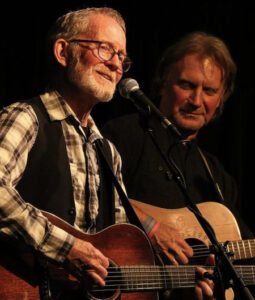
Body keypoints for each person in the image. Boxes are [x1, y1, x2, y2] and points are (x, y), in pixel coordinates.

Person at [0, 8, 214, 300]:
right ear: (63, 52)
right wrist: (66, 248)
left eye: (121, 57)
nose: (116, 65)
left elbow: (116, 261)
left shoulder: (107, 152)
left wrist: (178, 283)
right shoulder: (27, 119)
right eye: (105, 49)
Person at [101, 31, 255, 298]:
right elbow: (90, 194)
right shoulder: (122, 135)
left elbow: (241, 253)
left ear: (220, 99)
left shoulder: (215, 176)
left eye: (209, 90)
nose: (196, 101)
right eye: (186, 85)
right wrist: (150, 228)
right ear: (162, 83)